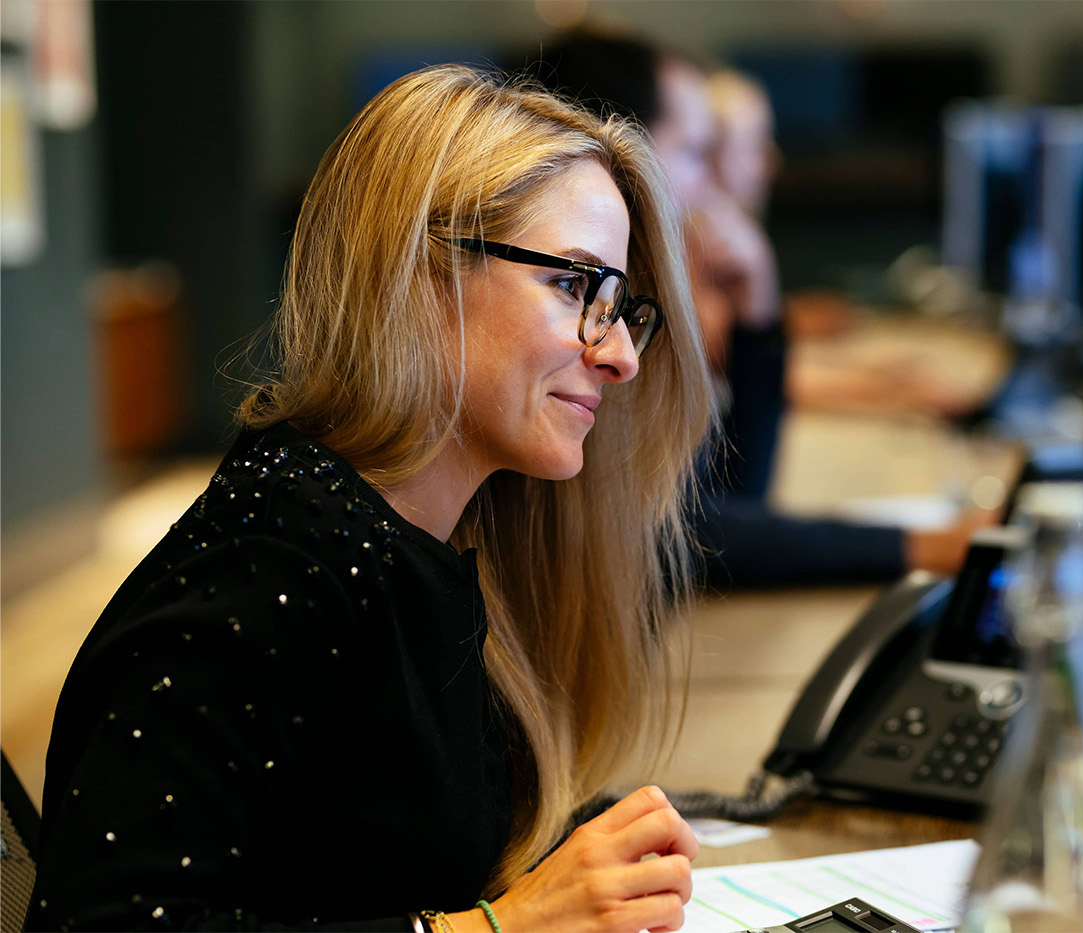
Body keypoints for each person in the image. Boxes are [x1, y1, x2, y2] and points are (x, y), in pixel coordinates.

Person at [27, 65, 714, 933]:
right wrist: (496, 928)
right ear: (418, 274)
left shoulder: (433, 540)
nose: (623, 356)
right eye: (575, 286)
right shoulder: (276, 559)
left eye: (620, 305)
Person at [533, 30, 997, 588]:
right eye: (697, 153)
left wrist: (759, 311)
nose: (716, 182)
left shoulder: (625, 307)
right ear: (609, 152)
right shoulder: (582, 327)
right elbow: (683, 531)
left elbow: (733, 491)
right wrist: (916, 546)